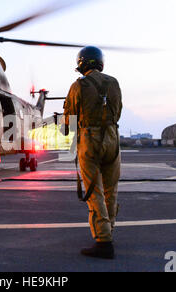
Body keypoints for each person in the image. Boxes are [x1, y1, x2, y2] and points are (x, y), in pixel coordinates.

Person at [62, 46, 122, 259]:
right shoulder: (114, 83)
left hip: (90, 138)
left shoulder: (79, 86)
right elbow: (118, 112)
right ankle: (109, 231)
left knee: (93, 191)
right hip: (113, 138)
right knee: (110, 189)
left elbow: (68, 122)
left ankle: (103, 241)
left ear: (82, 63)